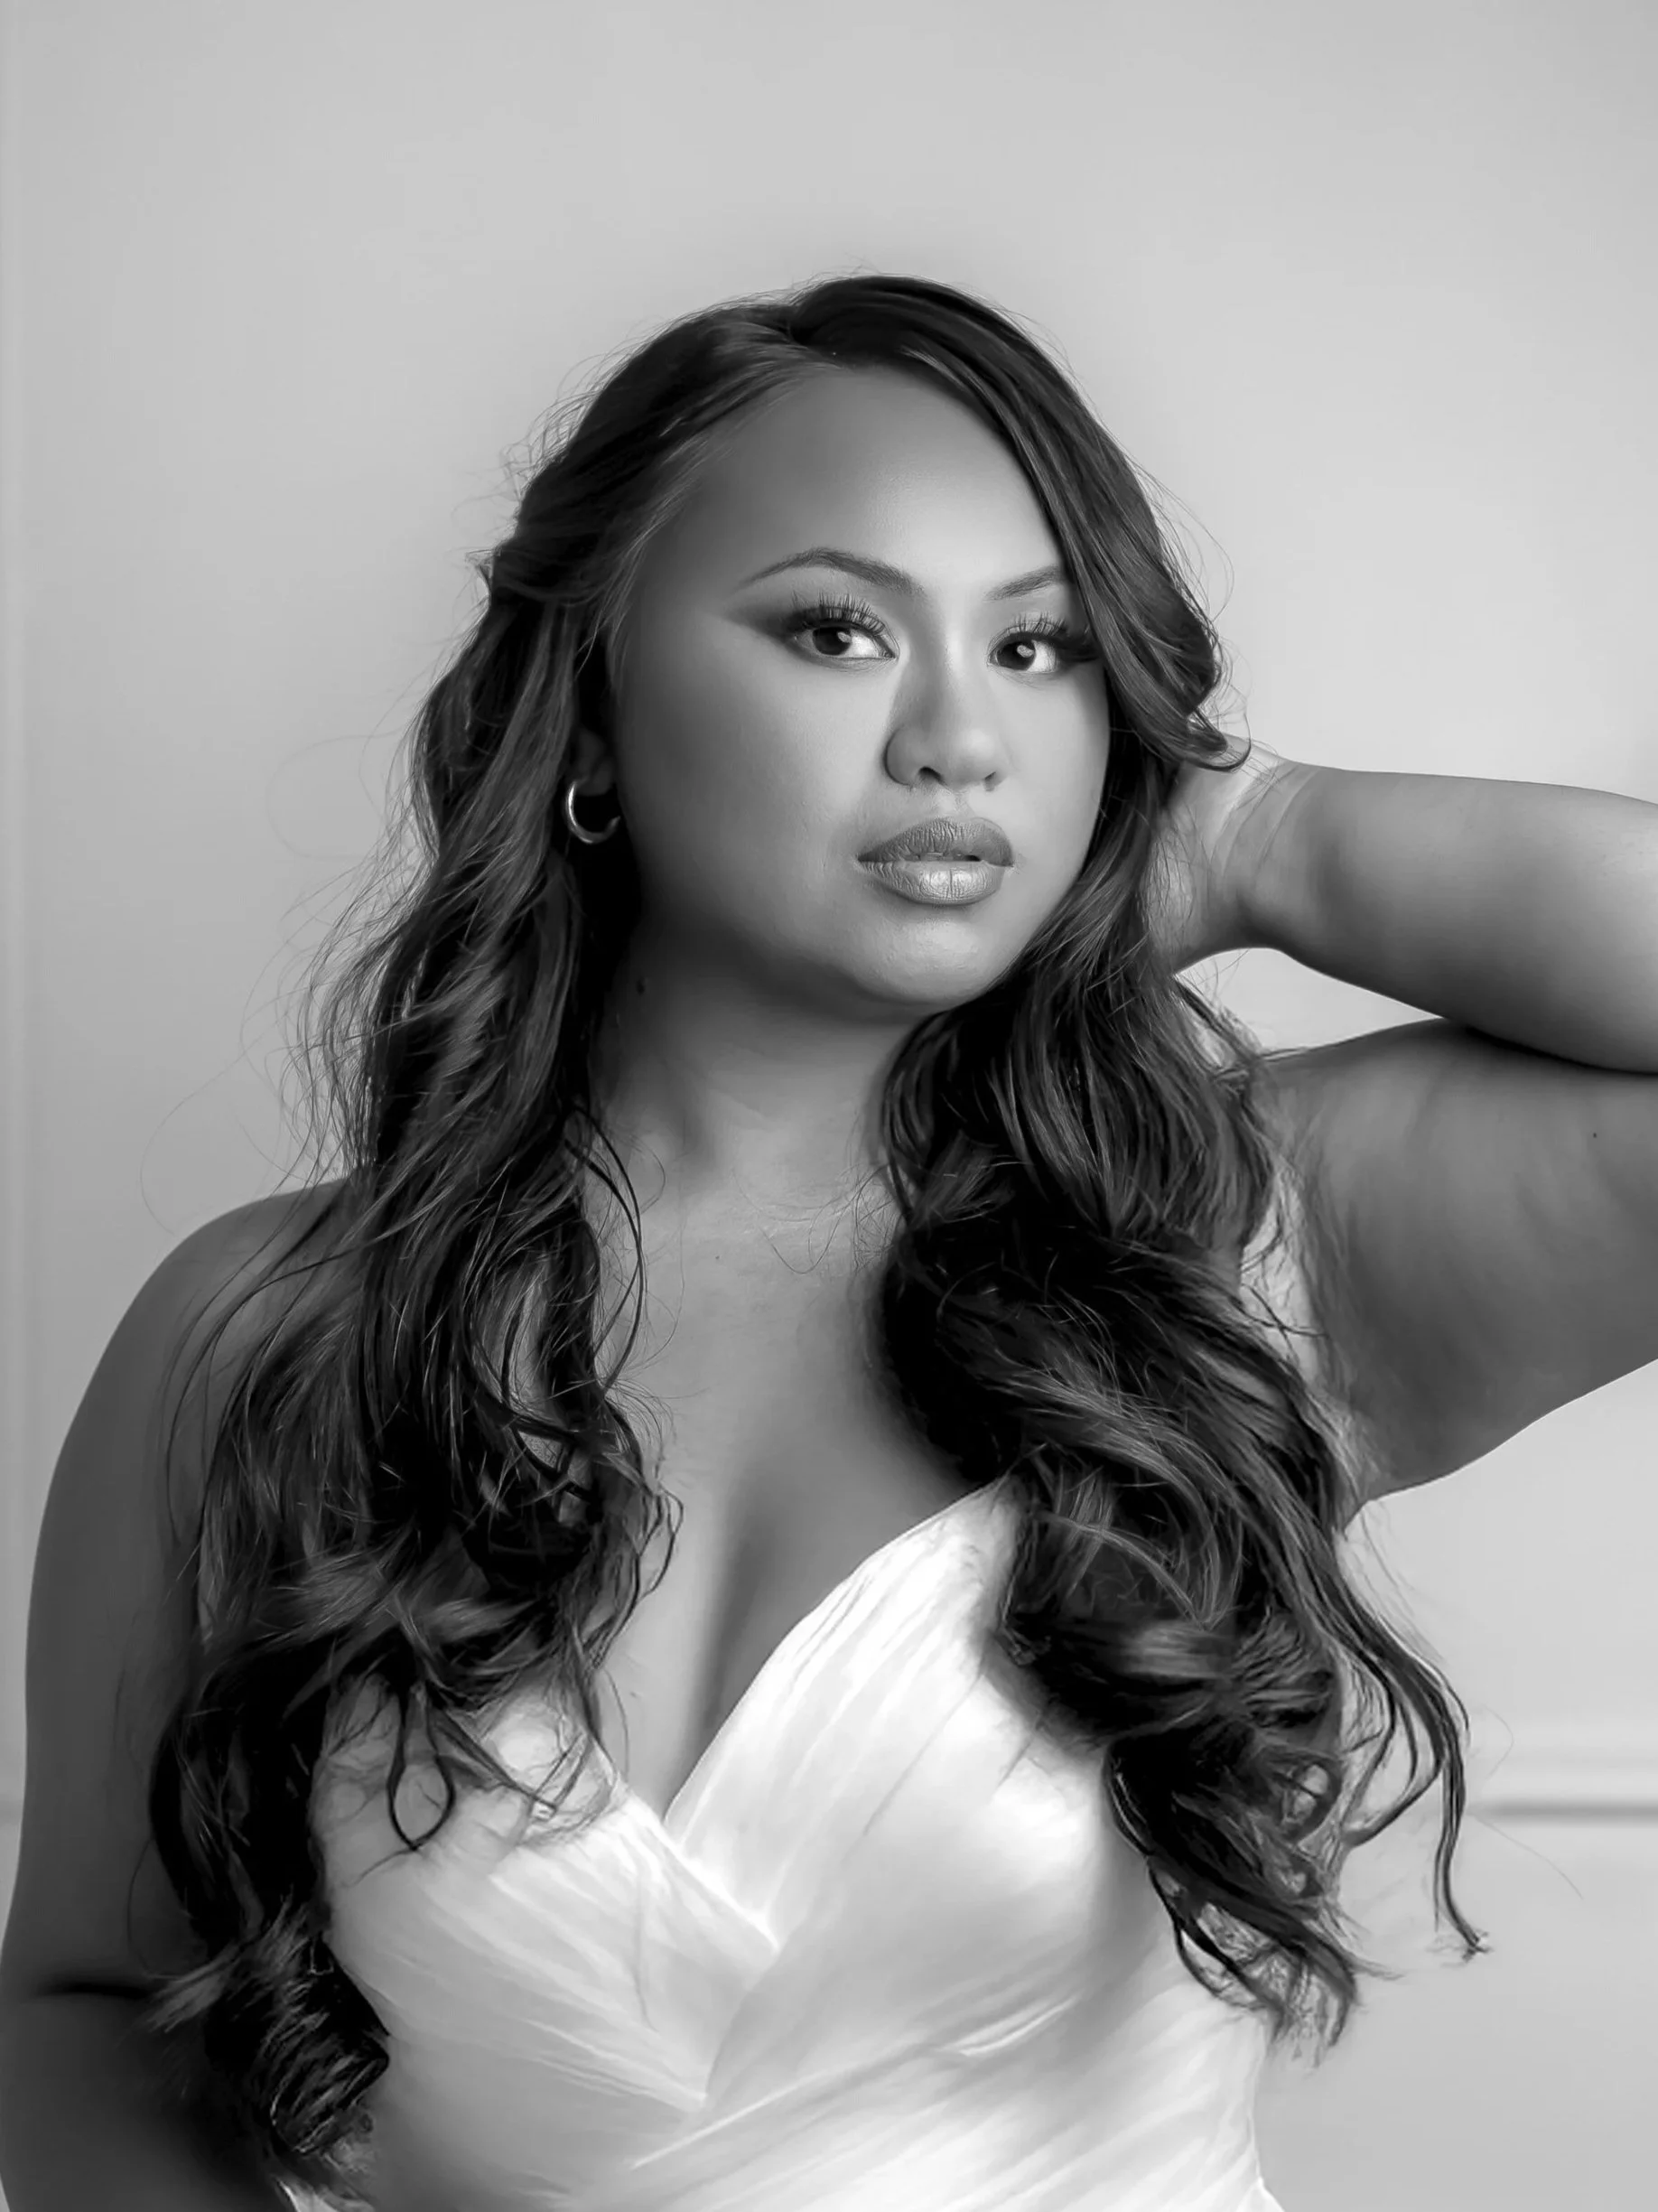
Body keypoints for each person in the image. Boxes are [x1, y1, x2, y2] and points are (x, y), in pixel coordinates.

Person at [2, 272, 1654, 2212]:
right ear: (590, 712)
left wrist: (1259, 834)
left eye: (1041, 649)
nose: (962, 737)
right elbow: (86, 2009)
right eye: (839, 630)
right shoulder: (267, 1332)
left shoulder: (1244, 1252)